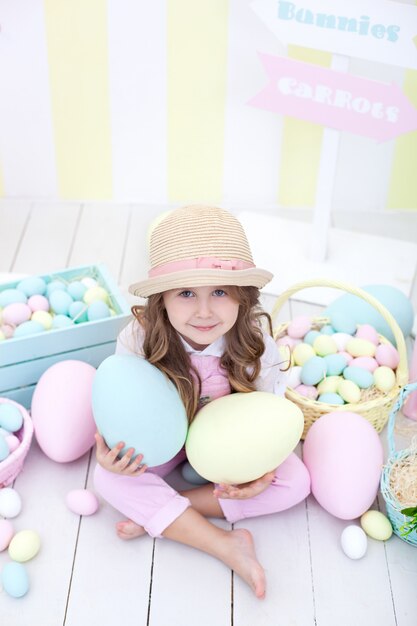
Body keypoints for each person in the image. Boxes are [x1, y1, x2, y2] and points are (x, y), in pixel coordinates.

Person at [94, 205, 310, 599]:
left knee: (295, 482)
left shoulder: (257, 345)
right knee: (107, 478)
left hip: (226, 452)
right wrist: (112, 452)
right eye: (187, 293)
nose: (205, 311)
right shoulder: (138, 339)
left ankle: (164, 511)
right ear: (162, 299)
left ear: (242, 297)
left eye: (221, 292)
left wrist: (259, 472)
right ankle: (224, 543)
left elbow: (269, 417)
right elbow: (121, 403)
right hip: (167, 445)